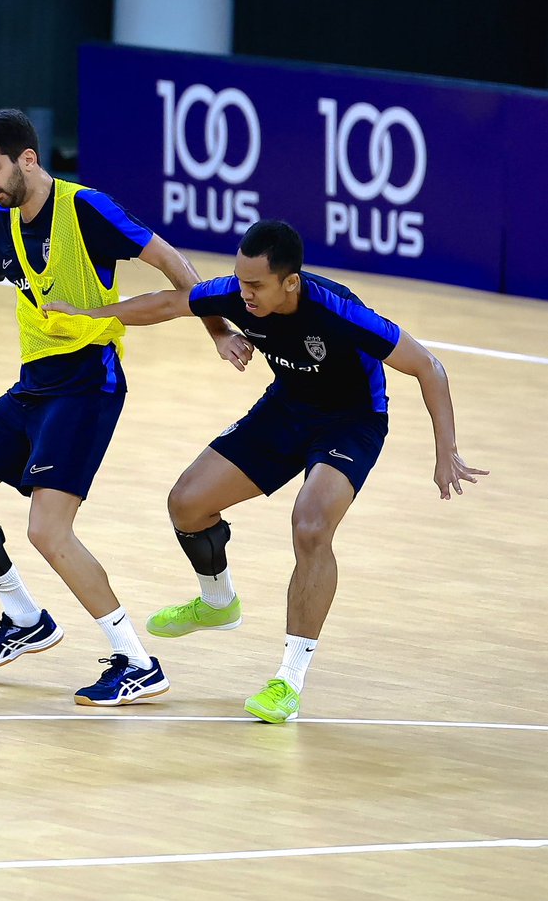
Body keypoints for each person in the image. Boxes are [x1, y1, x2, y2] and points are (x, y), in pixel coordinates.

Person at [0, 108, 245, 706]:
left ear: (28, 158)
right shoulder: (2, 222)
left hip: (88, 385)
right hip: (34, 385)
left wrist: (216, 330)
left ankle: (137, 661)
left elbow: (171, 263)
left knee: (48, 530)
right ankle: (27, 620)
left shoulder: (88, 209)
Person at [45, 218, 488, 722]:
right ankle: (217, 601)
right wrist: (91, 313)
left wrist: (445, 449)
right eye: (239, 280)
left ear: (290, 282)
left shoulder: (340, 312)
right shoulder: (235, 294)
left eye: (256, 285)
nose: (244, 293)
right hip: (287, 408)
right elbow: (173, 303)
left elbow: (428, 366)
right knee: (187, 503)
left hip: (351, 422)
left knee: (311, 525)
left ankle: (289, 680)